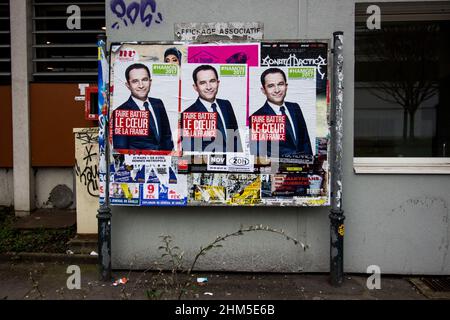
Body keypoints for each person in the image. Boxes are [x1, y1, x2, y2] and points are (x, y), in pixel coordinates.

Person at [250, 67, 312, 158]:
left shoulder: (295, 107)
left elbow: (305, 141)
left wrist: (310, 167)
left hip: (303, 168)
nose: (277, 90)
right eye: (271, 86)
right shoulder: (257, 117)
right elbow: (261, 156)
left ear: (286, 86)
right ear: (263, 90)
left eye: (280, 84)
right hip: (278, 170)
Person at [113, 63, 174, 151]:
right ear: (128, 85)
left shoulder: (158, 103)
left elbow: (167, 136)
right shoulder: (121, 112)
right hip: (139, 163)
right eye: (135, 81)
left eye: (144, 80)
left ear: (150, 81)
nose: (141, 85)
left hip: (164, 162)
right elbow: (121, 149)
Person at [182, 64, 242, 153]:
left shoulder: (226, 105)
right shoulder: (189, 114)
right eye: (203, 83)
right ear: (195, 87)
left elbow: (235, 139)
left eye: (212, 81)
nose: (209, 87)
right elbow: (192, 152)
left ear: (218, 83)